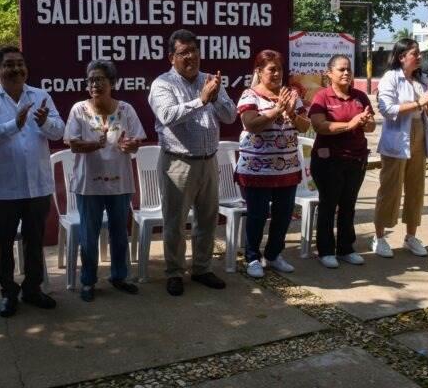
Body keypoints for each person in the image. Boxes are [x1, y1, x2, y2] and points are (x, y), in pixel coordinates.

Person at [0, 45, 65, 317]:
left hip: (37, 184)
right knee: (3, 244)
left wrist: (46, 122)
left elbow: (59, 131)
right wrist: (16, 123)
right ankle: (8, 292)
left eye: (20, 64)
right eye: (9, 64)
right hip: (3, 188)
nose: (16, 69)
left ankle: (33, 289)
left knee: (34, 241)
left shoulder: (40, 95)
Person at [148, 29, 236, 296]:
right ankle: (175, 272)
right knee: (175, 222)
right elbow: (167, 116)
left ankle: (202, 268)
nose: (191, 57)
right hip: (178, 163)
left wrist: (217, 97)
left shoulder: (210, 80)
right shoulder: (163, 84)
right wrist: (201, 100)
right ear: (171, 57)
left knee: (207, 220)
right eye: (184, 52)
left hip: (209, 161)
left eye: (194, 51)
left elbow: (230, 116)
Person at [64, 60, 146, 302]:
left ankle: (119, 276)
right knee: (88, 235)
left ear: (112, 83)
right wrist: (96, 145)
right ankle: (88, 281)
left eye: (100, 79)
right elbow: (72, 144)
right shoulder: (79, 109)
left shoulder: (126, 110)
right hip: (88, 183)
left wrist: (131, 145)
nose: (95, 84)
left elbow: (136, 143)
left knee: (119, 233)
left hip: (119, 183)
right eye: (91, 80)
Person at [235, 49, 310, 278]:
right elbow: (251, 124)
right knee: (257, 214)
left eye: (280, 69)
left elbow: (305, 126)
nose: (277, 73)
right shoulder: (250, 95)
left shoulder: (291, 95)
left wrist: (291, 113)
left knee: (284, 214)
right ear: (259, 71)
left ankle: (274, 254)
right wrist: (276, 111)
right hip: (257, 168)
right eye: (272, 69)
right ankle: (252, 258)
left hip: (287, 167)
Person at [371, 39, 428, 258]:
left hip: (418, 134)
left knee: (416, 188)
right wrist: (420, 103)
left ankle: (411, 236)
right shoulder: (391, 78)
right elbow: (387, 109)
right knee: (390, 188)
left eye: (419, 53)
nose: (419, 57)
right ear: (402, 57)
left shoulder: (422, 79)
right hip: (397, 137)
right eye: (415, 53)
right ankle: (379, 237)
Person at [308, 54, 375, 268]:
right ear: (329, 73)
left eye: (349, 69)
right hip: (329, 161)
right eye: (341, 69)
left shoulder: (360, 96)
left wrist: (364, 122)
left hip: (356, 159)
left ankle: (346, 248)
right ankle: (325, 250)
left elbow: (371, 125)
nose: (346, 73)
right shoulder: (322, 97)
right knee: (329, 204)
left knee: (349, 205)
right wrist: (350, 124)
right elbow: (319, 125)